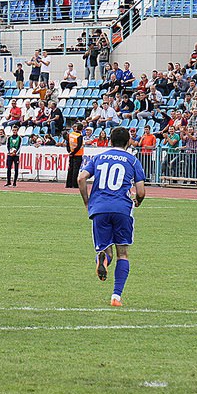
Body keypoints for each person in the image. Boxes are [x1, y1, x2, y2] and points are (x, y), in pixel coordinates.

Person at [77, 127, 146, 307]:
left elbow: (81, 178)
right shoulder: (133, 161)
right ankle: (116, 297)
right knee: (122, 253)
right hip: (122, 208)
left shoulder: (98, 157)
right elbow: (141, 191)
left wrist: (87, 202)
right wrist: (138, 201)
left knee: (105, 249)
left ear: (109, 140)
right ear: (128, 142)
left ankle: (104, 259)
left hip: (100, 207)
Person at [65, 122, 84, 188]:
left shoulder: (71, 134)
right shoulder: (79, 136)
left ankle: (68, 184)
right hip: (78, 154)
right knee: (76, 170)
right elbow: (79, 146)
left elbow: (67, 143)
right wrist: (73, 153)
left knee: (70, 169)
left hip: (71, 153)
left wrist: (69, 151)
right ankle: (74, 184)